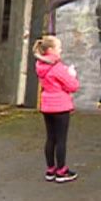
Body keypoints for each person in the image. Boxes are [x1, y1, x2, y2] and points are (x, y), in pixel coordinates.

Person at [34, 35, 79, 182]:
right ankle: (61, 171)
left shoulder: (39, 65)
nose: (61, 50)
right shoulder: (57, 67)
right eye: (59, 48)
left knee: (50, 138)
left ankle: (50, 169)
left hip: (47, 106)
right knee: (61, 140)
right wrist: (71, 75)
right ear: (51, 50)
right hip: (61, 107)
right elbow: (73, 86)